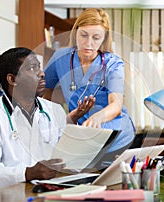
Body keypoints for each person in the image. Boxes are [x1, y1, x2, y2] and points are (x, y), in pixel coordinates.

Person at [0, 47, 93, 194]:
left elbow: (68, 159)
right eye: (32, 68)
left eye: (39, 67)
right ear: (12, 79)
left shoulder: (55, 110)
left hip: (46, 192)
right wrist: (27, 173)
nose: (41, 73)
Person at [44, 8, 135, 165]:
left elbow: (116, 104)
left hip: (114, 132)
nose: (88, 43)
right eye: (84, 35)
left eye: (96, 37)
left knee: (106, 180)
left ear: (104, 39)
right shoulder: (60, 57)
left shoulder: (113, 64)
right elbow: (45, 91)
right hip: (82, 133)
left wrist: (98, 117)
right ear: (76, 32)